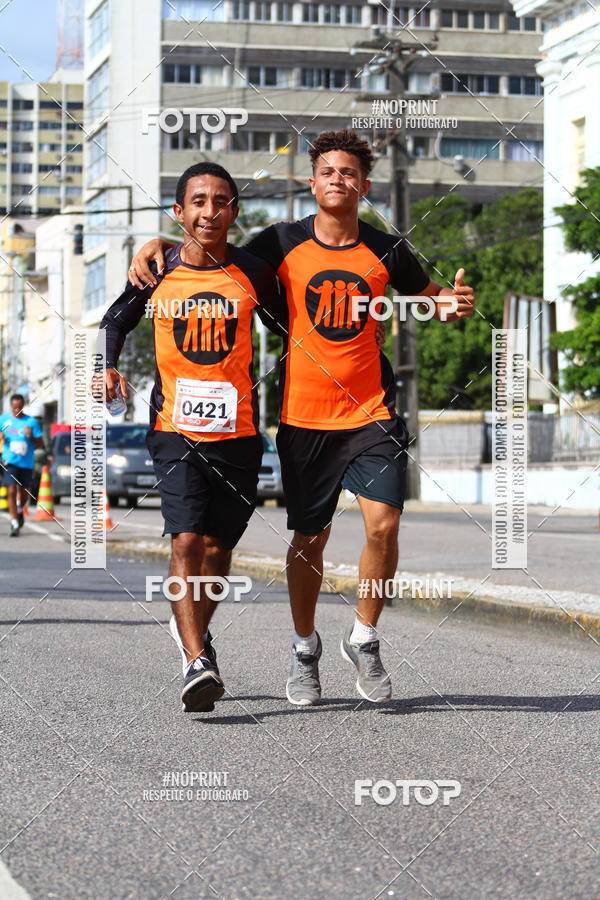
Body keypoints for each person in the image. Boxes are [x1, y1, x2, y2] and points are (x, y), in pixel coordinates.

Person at [129, 130, 475, 707]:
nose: (338, 180)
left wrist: (451, 303)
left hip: (372, 413)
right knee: (309, 539)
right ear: (312, 184)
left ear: (364, 186)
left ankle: (364, 637)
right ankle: (304, 647)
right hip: (304, 418)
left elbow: (431, 295)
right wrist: (157, 244)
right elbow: (211, 246)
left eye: (349, 173)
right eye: (328, 172)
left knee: (384, 524)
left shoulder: (387, 248)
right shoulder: (279, 241)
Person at [98, 162, 285, 714]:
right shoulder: (158, 270)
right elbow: (114, 321)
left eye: (221, 201)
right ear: (179, 212)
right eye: (198, 201)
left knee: (218, 550)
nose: (210, 211)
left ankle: (196, 639)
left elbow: (292, 328)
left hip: (239, 434)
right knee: (185, 541)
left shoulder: (253, 272)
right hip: (173, 431)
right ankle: (197, 660)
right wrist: (106, 366)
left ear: (234, 211)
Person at [0, 394, 45, 536]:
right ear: (11, 406)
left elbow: (41, 443)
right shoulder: (4, 420)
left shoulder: (31, 422)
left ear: (23, 406)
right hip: (10, 461)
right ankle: (14, 523)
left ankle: (20, 509)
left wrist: (31, 436)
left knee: (25, 493)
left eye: (19, 407)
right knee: (12, 490)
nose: (17, 410)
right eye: (14, 408)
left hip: (26, 463)